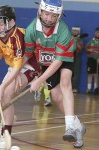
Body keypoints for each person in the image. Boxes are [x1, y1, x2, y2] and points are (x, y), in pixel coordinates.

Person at [23, 0, 86, 148]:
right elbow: (27, 54)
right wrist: (14, 71)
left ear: (58, 16)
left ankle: (69, 127)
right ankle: (78, 125)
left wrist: (39, 81)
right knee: (57, 97)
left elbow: (58, 62)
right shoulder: (32, 29)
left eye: (53, 15)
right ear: (40, 11)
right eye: (47, 14)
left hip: (63, 58)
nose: (49, 18)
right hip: (46, 62)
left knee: (65, 83)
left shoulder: (63, 30)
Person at [0, 5, 40, 150]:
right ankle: (8, 120)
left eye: (0, 23)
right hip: (15, 67)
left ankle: (6, 134)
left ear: (11, 22)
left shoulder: (18, 36)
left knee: (6, 94)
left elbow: (19, 64)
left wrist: (3, 86)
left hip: (29, 66)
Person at [86, 27, 99, 95]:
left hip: (98, 60)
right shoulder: (91, 41)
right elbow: (86, 49)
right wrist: (89, 50)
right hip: (91, 60)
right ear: (95, 33)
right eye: (97, 33)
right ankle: (88, 89)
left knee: (96, 75)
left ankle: (96, 89)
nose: (98, 34)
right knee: (90, 74)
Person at [71, 27, 84, 93]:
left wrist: (76, 42)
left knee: (76, 73)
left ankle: (74, 88)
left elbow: (81, 48)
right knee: (68, 72)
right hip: (69, 56)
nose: (75, 32)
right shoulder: (69, 38)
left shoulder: (80, 39)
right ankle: (67, 87)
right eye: (74, 31)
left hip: (77, 56)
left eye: (76, 31)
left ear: (79, 32)